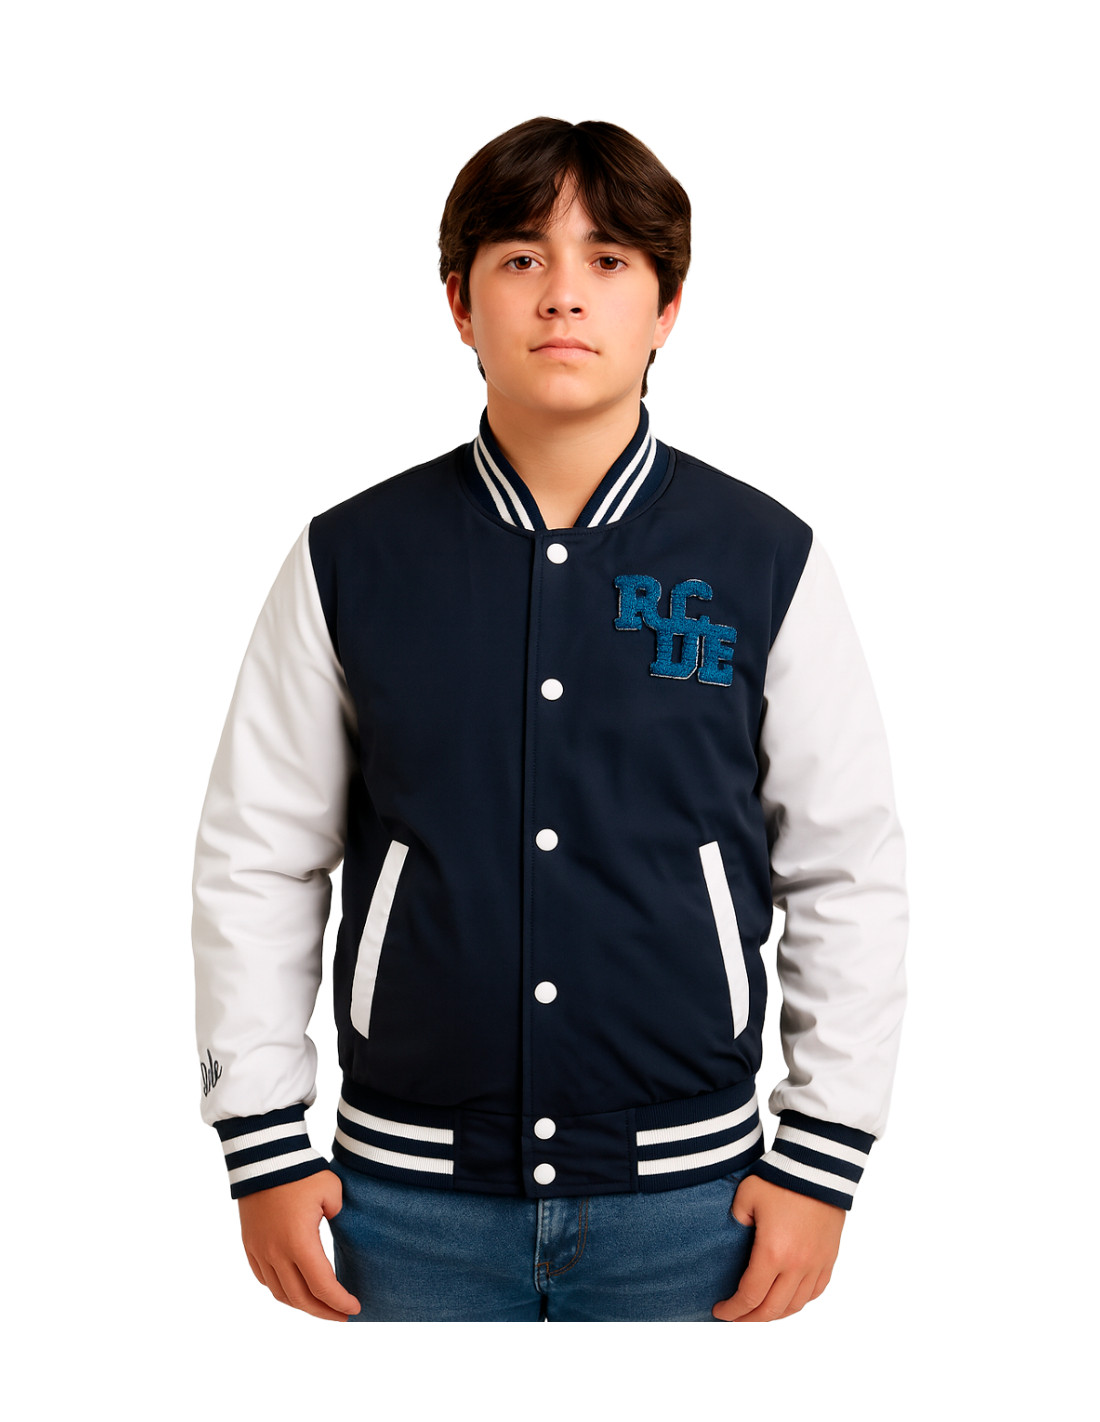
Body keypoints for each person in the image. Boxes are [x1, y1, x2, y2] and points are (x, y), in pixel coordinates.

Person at [192, 116, 908, 1323]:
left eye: (608, 260)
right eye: (521, 258)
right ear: (459, 303)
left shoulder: (763, 559)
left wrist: (821, 1155)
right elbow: (257, 857)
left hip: (698, 1204)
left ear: (665, 308)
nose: (562, 294)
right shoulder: (350, 559)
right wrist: (260, 1141)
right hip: (400, 1201)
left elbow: (846, 867)